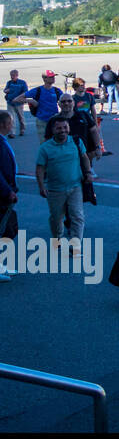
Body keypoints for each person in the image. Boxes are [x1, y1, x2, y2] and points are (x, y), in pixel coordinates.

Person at [35, 117, 93, 258]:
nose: (63, 131)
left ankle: (75, 247)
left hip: (75, 187)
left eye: (65, 127)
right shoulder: (45, 148)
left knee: (77, 216)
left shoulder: (76, 142)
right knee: (56, 218)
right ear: (53, 130)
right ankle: (57, 239)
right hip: (55, 190)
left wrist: (88, 172)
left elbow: (84, 157)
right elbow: (40, 168)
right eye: (59, 128)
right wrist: (41, 186)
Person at [44, 94, 102, 160]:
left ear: (74, 103)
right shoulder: (53, 120)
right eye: (63, 101)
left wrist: (98, 148)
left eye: (69, 101)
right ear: (59, 104)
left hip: (84, 156)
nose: (66, 103)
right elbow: (47, 140)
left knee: (88, 170)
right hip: (62, 158)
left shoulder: (83, 116)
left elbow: (94, 131)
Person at [0, 110, 16, 281]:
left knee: (7, 228)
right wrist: (8, 190)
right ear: (4, 124)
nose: (12, 126)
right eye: (11, 122)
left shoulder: (3, 141)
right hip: (3, 193)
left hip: (5, 192)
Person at [4, 69, 27, 136]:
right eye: (11, 75)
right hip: (10, 102)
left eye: (13, 75)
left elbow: (25, 92)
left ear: (17, 75)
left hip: (19, 103)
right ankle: (12, 132)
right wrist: (6, 91)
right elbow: (5, 90)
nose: (12, 77)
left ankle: (22, 129)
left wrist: (20, 98)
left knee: (21, 117)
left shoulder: (22, 82)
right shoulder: (9, 82)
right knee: (11, 118)